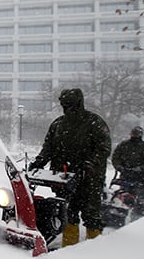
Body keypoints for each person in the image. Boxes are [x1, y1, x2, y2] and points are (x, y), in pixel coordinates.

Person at [27, 88, 111, 247]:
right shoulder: (58, 124)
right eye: (64, 105)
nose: (66, 108)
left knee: (91, 214)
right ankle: (69, 249)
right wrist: (39, 161)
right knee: (68, 213)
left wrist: (90, 163)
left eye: (69, 104)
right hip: (64, 178)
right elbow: (49, 147)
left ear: (79, 103)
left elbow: (104, 148)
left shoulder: (94, 122)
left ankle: (95, 247)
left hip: (89, 179)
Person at [111, 126, 144, 214]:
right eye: (133, 133)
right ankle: (121, 209)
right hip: (125, 174)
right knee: (123, 193)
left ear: (140, 135)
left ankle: (139, 212)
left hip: (140, 177)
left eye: (136, 134)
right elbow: (115, 157)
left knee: (139, 196)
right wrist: (118, 166)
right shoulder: (123, 145)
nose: (134, 135)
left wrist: (140, 169)